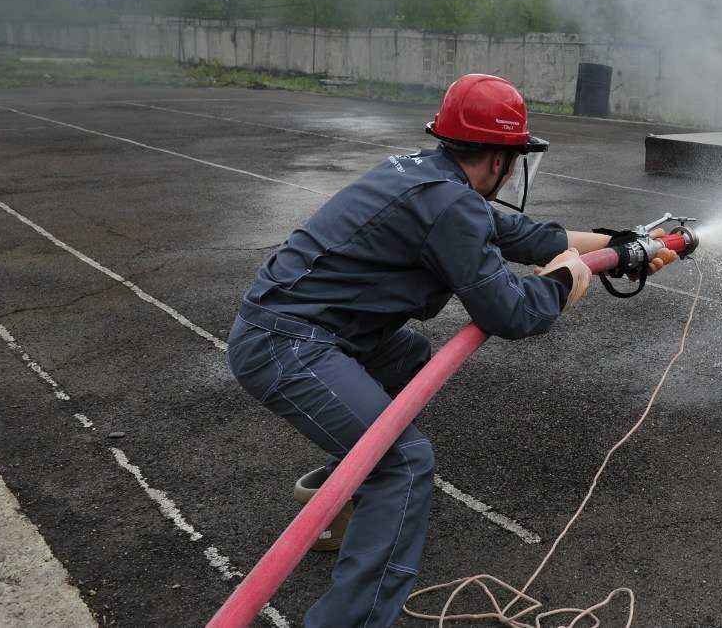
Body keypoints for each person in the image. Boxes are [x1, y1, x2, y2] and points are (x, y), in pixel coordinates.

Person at [226, 73, 677, 628]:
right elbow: (510, 312)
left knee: (412, 359)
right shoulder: (451, 206)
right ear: (497, 159)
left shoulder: (433, 180)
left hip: (311, 332)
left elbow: (534, 238)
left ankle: (343, 500)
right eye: (512, 160)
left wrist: (625, 245)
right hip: (288, 345)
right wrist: (564, 282)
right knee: (404, 463)